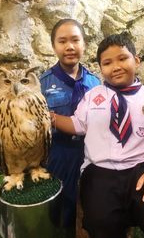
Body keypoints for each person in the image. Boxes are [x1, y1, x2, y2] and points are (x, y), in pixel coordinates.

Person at [50, 32, 144, 238]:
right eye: (107, 63)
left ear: (136, 60)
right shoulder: (93, 96)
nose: (116, 66)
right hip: (99, 172)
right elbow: (77, 123)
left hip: (141, 171)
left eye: (123, 58)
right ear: (101, 69)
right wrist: (50, 117)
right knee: (101, 224)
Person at [40, 19, 100, 237]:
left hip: (89, 153)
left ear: (83, 44)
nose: (70, 46)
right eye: (62, 41)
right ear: (54, 46)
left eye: (75, 40)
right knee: (58, 208)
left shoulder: (96, 83)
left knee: (89, 204)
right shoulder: (42, 83)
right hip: (58, 154)